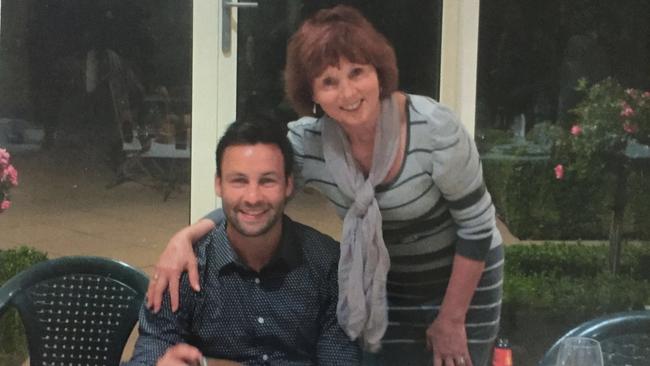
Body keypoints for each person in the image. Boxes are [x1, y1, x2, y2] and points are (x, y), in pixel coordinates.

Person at [148, 5, 503, 366]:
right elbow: (255, 198)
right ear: (312, 94)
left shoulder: (435, 129)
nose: (347, 92)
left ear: (378, 72)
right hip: (383, 288)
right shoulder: (309, 143)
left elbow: (476, 225)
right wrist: (187, 237)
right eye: (329, 81)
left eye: (357, 72)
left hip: (464, 286)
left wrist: (451, 318)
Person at [124, 119, 360, 365]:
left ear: (289, 185)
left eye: (267, 180)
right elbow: (152, 346)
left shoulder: (327, 264)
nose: (253, 197)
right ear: (218, 184)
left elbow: (340, 358)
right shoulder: (186, 266)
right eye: (239, 180)